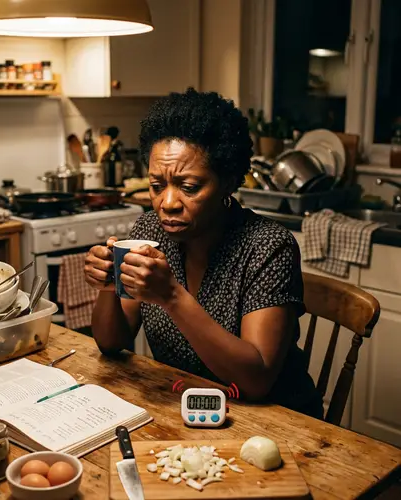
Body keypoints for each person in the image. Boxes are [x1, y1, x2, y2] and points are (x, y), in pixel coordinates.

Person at [84, 88, 323, 419]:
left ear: (227, 183)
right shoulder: (149, 232)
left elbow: (255, 381)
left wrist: (171, 296)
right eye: (156, 186)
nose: (167, 203)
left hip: (278, 420)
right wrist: (109, 285)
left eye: (189, 187)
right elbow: (112, 343)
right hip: (186, 409)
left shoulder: (268, 247)